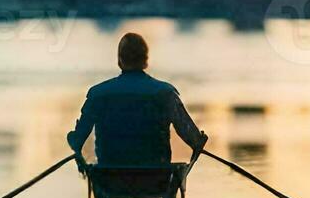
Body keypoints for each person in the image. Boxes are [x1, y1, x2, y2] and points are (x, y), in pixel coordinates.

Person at [67, 32, 206, 167]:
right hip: (157, 180)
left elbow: (77, 140)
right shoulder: (166, 93)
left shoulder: (97, 94)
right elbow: (193, 139)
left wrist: (73, 143)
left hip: (108, 179)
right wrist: (199, 142)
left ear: (119, 60)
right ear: (146, 60)